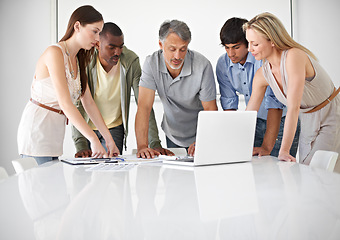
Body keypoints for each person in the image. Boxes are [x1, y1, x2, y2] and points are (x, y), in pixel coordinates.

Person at [17, 5, 120, 165]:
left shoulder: (79, 60)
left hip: (54, 136)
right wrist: (93, 139)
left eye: (100, 33)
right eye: (95, 31)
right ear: (77, 26)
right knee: (40, 187)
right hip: (37, 132)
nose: (98, 38)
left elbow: (89, 103)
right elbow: (65, 103)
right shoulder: (54, 53)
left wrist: (109, 140)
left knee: (53, 187)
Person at [243, 12, 340, 166]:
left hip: (330, 113)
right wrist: (233, 147)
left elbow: (293, 107)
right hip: (307, 118)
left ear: (272, 41)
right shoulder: (262, 74)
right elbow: (248, 115)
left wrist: (284, 150)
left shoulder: (294, 56)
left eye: (255, 44)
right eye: (248, 43)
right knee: (307, 169)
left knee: (320, 170)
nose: (249, 49)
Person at [72, 22, 166, 157]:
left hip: (114, 129)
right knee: (85, 174)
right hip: (86, 128)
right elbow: (79, 104)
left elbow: (144, 103)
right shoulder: (85, 60)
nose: (117, 52)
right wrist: (80, 143)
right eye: (112, 48)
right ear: (98, 44)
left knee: (112, 173)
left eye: (120, 47)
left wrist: (154, 143)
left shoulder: (131, 61)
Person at [216, 17, 300, 157]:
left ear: (248, 44)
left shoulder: (263, 60)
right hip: (254, 121)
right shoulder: (223, 64)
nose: (231, 54)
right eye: (227, 48)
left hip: (281, 122)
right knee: (255, 170)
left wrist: (267, 147)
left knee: (281, 170)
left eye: (236, 47)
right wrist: (231, 140)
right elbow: (229, 102)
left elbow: (274, 104)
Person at [135, 20, 218, 158]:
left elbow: (210, 109)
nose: (178, 56)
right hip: (173, 134)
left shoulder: (202, 65)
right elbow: (144, 107)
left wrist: (202, 140)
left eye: (183, 49)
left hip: (200, 134)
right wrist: (142, 146)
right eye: (172, 49)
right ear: (161, 45)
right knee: (175, 177)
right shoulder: (151, 63)